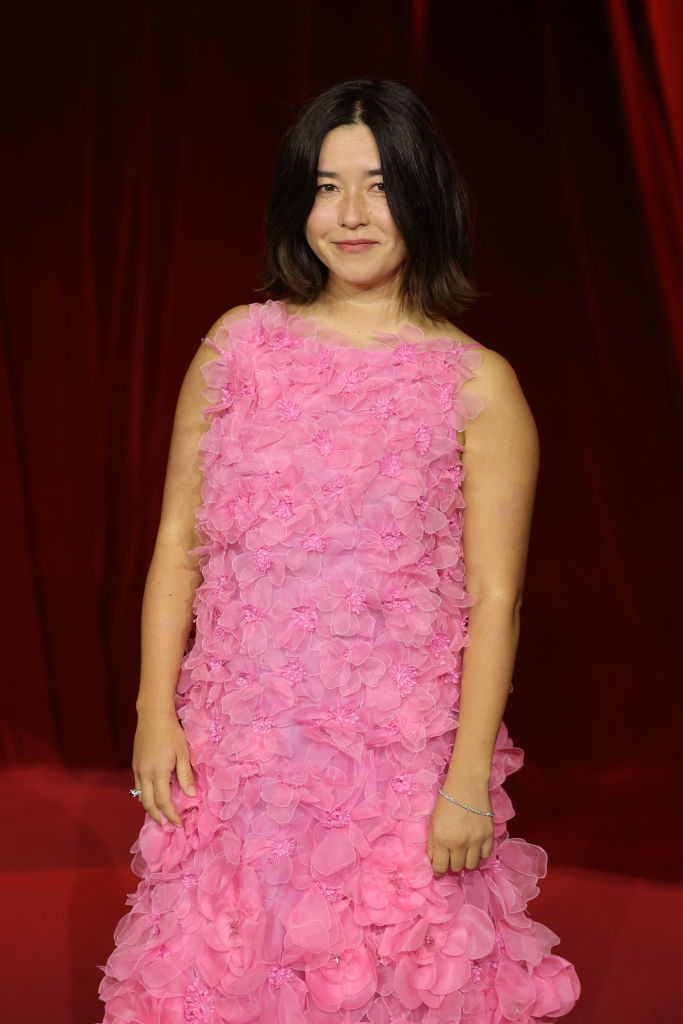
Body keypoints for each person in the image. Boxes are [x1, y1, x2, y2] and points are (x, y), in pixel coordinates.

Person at [98, 79, 580, 1023]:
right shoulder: (236, 345)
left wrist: (468, 782)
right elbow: (173, 545)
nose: (350, 214)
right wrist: (157, 712)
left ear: (423, 198)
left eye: (377, 185)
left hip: (391, 780)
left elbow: (494, 601)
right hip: (236, 762)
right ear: (298, 203)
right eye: (326, 187)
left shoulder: (477, 384)